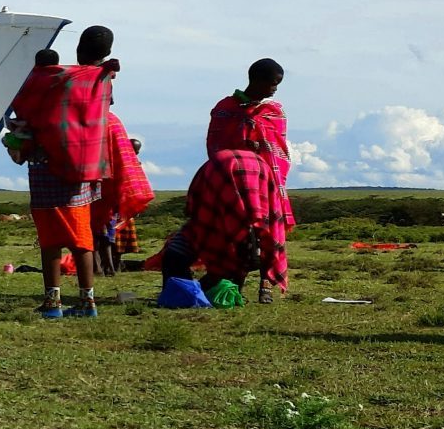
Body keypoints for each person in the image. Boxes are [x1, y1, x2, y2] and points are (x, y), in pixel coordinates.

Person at [8, 30, 120, 317]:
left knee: (50, 239)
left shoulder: (52, 80)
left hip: (47, 166)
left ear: (80, 47)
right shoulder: (101, 80)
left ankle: (53, 303)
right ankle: (87, 302)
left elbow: (24, 109)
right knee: (82, 238)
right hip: (85, 167)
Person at [208, 59, 294, 293]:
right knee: (239, 231)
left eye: (278, 84)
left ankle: (266, 283)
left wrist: (259, 144)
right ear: (256, 80)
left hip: (265, 181)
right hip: (235, 181)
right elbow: (216, 145)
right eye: (273, 83)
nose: (275, 89)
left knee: (268, 230)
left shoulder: (273, 112)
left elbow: (280, 149)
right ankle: (236, 279)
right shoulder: (225, 109)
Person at [159, 146, 287, 299]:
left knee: (175, 255)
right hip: (223, 230)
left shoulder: (218, 168)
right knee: (249, 247)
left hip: (213, 226)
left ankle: (185, 292)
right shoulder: (263, 221)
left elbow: (195, 199)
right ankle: (210, 290)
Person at [89, 117, 154, 276]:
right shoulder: (112, 128)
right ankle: (104, 268)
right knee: (102, 236)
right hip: (108, 199)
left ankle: (108, 267)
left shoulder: (128, 161)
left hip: (114, 204)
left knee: (107, 237)